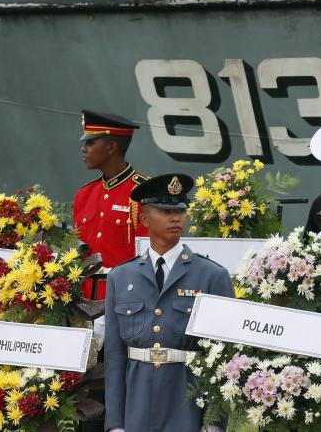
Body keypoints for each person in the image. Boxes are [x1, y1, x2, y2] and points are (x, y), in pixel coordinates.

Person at [104, 174, 234, 432]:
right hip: (136, 401)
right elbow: (115, 357)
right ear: (144, 219)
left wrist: (214, 422)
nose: (176, 217)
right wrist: (115, 424)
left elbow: (224, 356)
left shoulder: (212, 276)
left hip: (187, 399)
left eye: (181, 211)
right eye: (165, 211)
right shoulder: (121, 277)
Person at [73, 110, 149, 299]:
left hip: (125, 299)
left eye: (90, 143)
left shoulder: (144, 192)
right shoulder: (84, 194)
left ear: (111, 146)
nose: (83, 149)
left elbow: (149, 257)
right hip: (84, 300)